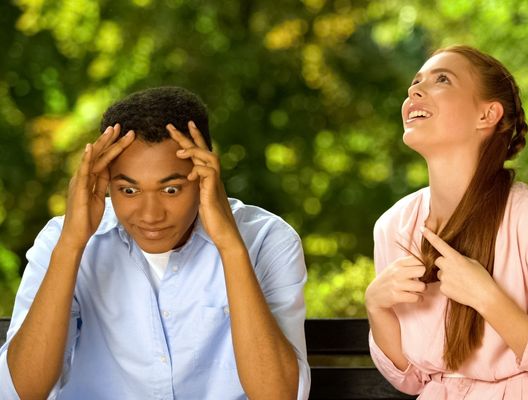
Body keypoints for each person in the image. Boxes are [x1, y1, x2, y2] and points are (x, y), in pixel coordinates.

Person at [0, 87, 310, 399]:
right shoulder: (61, 240)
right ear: (104, 182)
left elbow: (279, 396)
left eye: (171, 189)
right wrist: (71, 245)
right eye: (129, 191)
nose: (150, 215)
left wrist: (230, 247)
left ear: (206, 176)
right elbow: (20, 392)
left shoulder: (268, 240)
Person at [365, 45, 528, 399]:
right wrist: (376, 307)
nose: (414, 90)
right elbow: (412, 381)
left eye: (442, 79)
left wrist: (488, 297)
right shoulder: (393, 227)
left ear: (487, 115)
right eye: (415, 81)